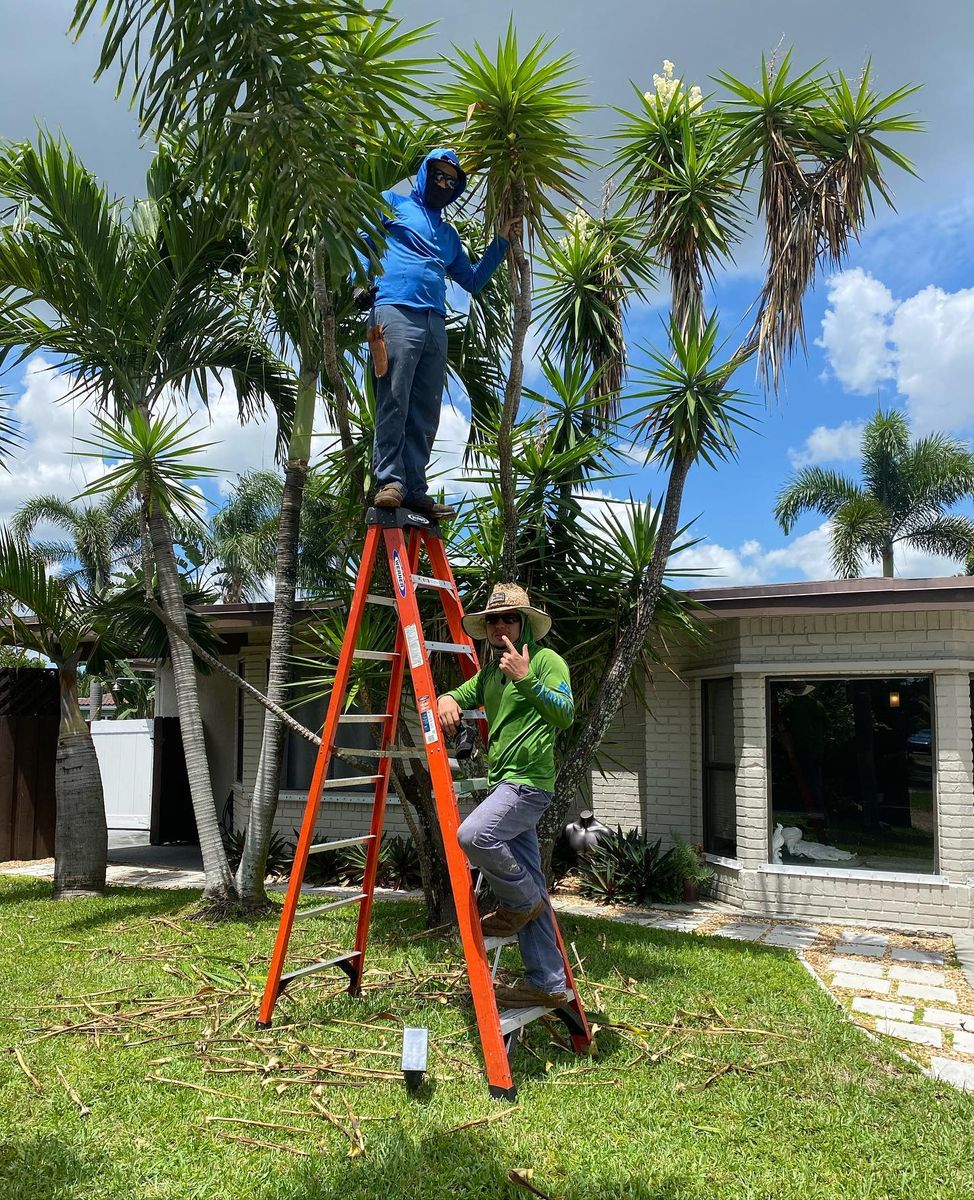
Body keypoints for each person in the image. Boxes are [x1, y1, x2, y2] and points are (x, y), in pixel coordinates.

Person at [354, 148, 517, 518]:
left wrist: (502, 242)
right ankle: (389, 481)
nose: (443, 183)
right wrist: (357, 282)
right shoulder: (392, 204)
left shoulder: (449, 235)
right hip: (394, 308)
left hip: (434, 322)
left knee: (426, 408)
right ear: (425, 173)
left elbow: (473, 281)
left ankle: (413, 488)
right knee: (394, 397)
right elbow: (361, 239)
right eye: (438, 175)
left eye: (451, 180)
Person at [437, 583, 574, 1009]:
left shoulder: (546, 661)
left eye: (509, 618)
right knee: (532, 884)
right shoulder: (492, 671)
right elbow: (463, 694)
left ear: (525, 625)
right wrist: (445, 698)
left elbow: (565, 715)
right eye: (494, 620)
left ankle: (522, 902)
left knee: (473, 836)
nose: (500, 626)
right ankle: (548, 983)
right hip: (504, 785)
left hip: (528, 785)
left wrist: (526, 678)